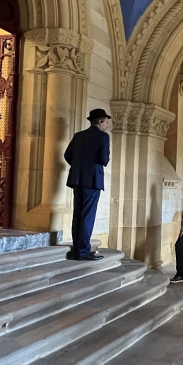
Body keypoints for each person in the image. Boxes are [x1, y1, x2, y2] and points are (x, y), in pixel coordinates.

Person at [64, 108, 111, 261]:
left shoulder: (78, 136)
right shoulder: (103, 137)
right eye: (106, 121)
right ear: (100, 121)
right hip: (93, 181)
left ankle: (79, 249)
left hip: (77, 179)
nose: (107, 125)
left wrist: (79, 167)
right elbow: (104, 160)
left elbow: (67, 155)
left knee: (78, 214)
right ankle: (83, 252)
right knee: (87, 216)